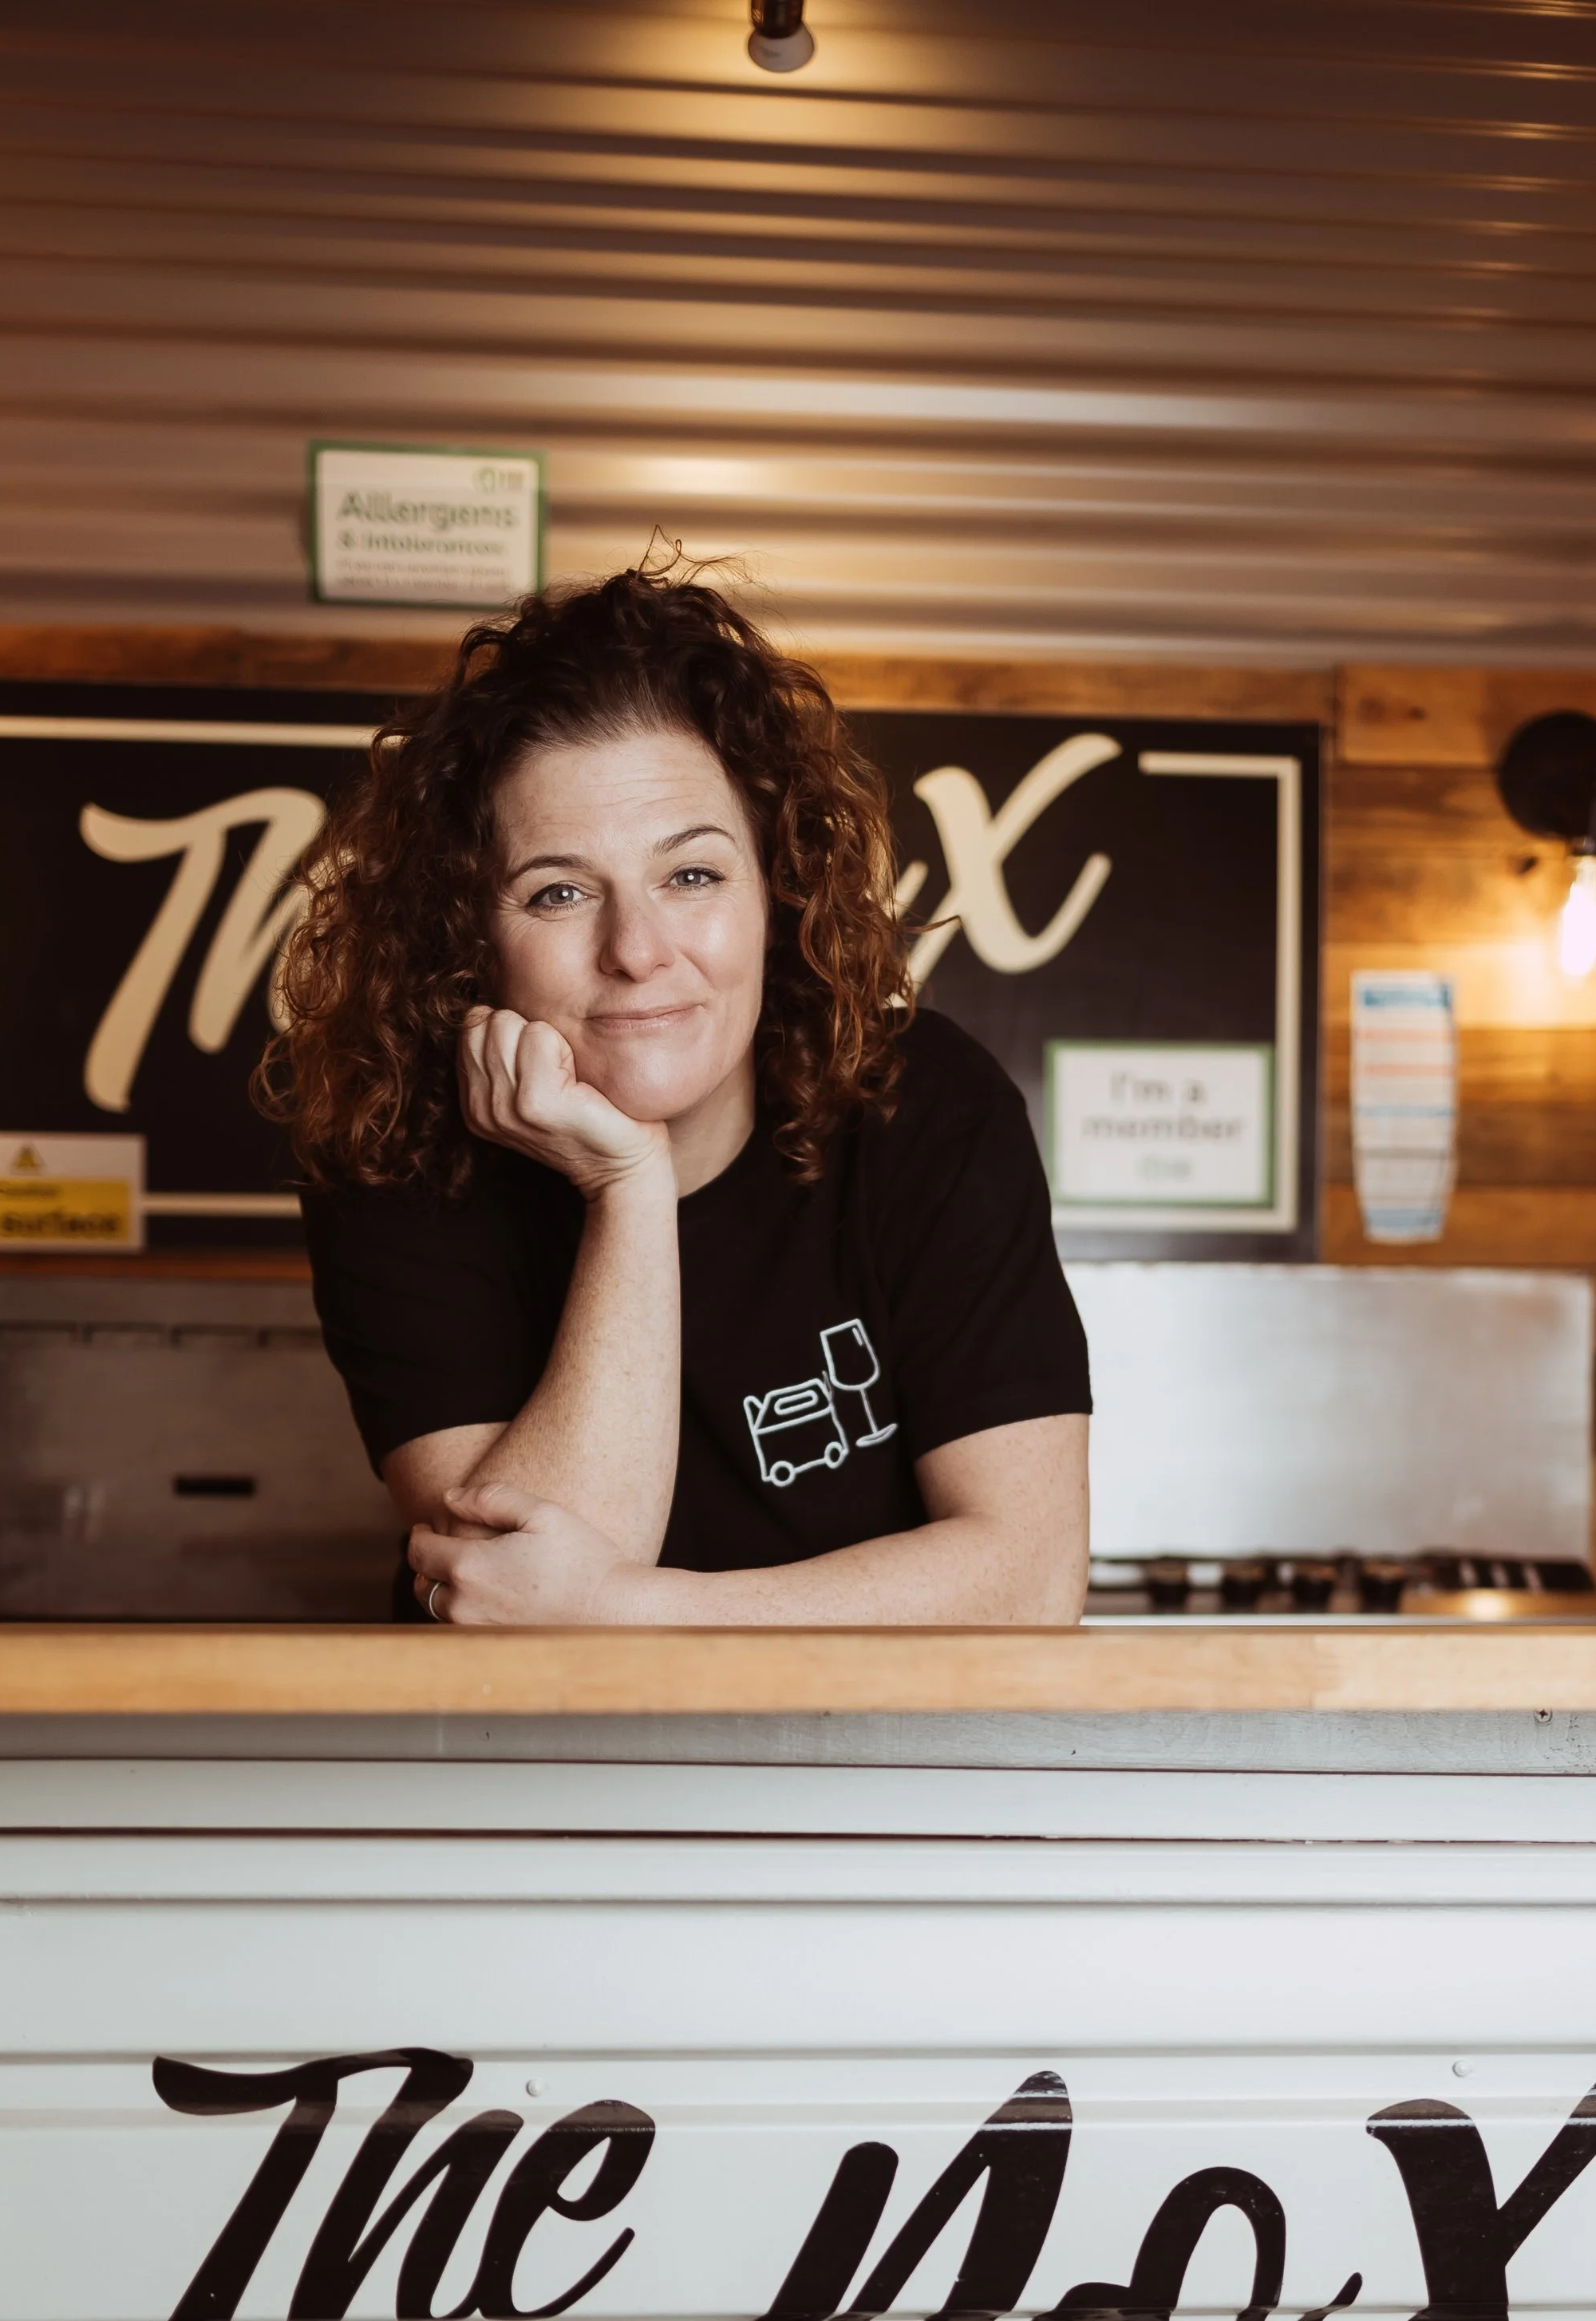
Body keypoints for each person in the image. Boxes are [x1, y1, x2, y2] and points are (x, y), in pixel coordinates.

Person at [267, 565, 1091, 1625]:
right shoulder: (392, 1151)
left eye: (691, 876)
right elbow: (511, 1611)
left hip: (877, 1778)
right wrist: (629, 1184)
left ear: (773, 889)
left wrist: (636, 1612)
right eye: (559, 891)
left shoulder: (923, 1104)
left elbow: (1028, 1578)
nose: (637, 950)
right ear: (471, 937)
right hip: (522, 1783)